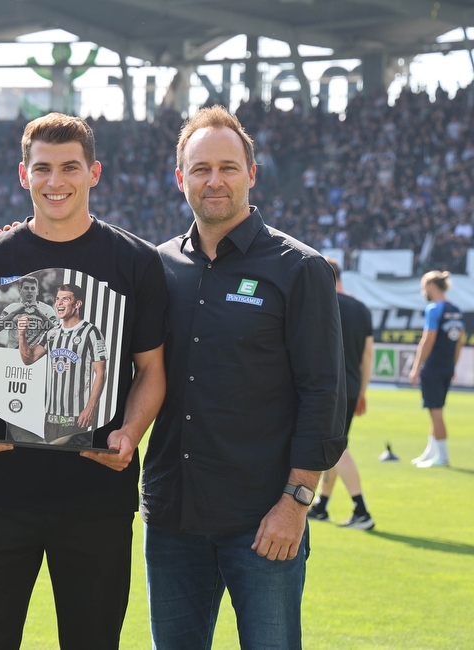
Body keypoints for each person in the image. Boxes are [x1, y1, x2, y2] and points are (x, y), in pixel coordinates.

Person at [0, 112, 167, 649]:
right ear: (23, 175)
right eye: (42, 168)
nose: (56, 181)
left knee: (92, 640)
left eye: (70, 167)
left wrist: (130, 434)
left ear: (94, 172)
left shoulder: (136, 262)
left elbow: (152, 372)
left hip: (98, 493)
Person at [141, 105, 346, 649]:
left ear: (251, 174)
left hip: (264, 520)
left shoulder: (300, 269)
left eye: (228, 167)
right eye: (200, 168)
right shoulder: (155, 267)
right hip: (171, 518)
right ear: (179, 176)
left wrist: (296, 501)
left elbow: (324, 393)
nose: (214, 180)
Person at [307, 258, 375, 529]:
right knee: (332, 444)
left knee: (336, 447)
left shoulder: (321, 303)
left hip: (325, 388)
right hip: (352, 387)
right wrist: (362, 390)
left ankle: (361, 509)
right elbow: (368, 355)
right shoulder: (361, 308)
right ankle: (322, 505)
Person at [19, 283, 107, 446]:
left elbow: (100, 372)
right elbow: (28, 359)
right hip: (51, 416)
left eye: (65, 299)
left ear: (77, 304)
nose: (58, 303)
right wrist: (22, 335)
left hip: (76, 416)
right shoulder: (52, 333)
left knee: (74, 466)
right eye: (57, 299)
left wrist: (90, 408)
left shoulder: (91, 332)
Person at [408, 270, 465, 468]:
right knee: (436, 410)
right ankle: (430, 452)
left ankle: (443, 457)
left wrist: (416, 368)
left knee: (435, 412)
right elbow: (460, 343)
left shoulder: (434, 309)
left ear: (432, 286)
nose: (423, 291)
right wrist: (453, 366)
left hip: (432, 368)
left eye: (424, 286)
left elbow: (428, 339)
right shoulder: (456, 310)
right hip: (447, 367)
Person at [0, 275, 58, 350]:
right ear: (20, 290)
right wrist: (15, 313)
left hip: (37, 355)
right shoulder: (11, 308)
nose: (30, 291)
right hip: (14, 353)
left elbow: (57, 333)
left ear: (37, 291)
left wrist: (42, 316)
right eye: (26, 288)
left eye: (33, 288)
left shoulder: (47, 309)